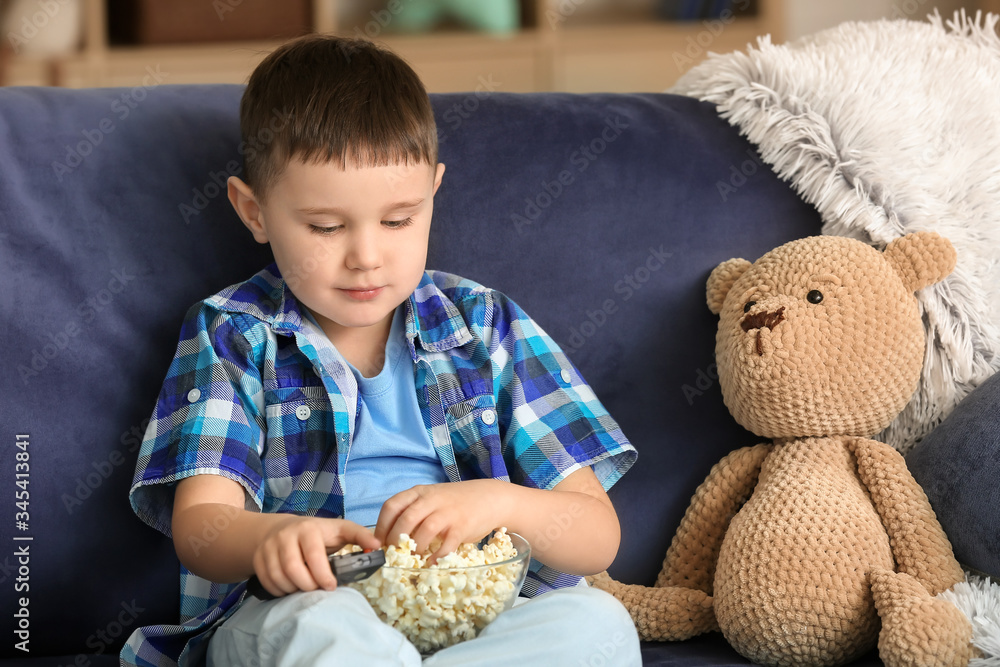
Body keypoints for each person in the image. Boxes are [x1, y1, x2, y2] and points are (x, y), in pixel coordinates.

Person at [122, 34, 640, 666]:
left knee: (599, 622)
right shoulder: (232, 333)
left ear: (433, 192)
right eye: (326, 226)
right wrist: (277, 539)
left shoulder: (486, 326)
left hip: (474, 609)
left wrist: (498, 502)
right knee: (321, 631)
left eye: (399, 221)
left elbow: (597, 536)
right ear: (253, 211)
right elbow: (200, 530)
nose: (367, 256)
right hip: (303, 606)